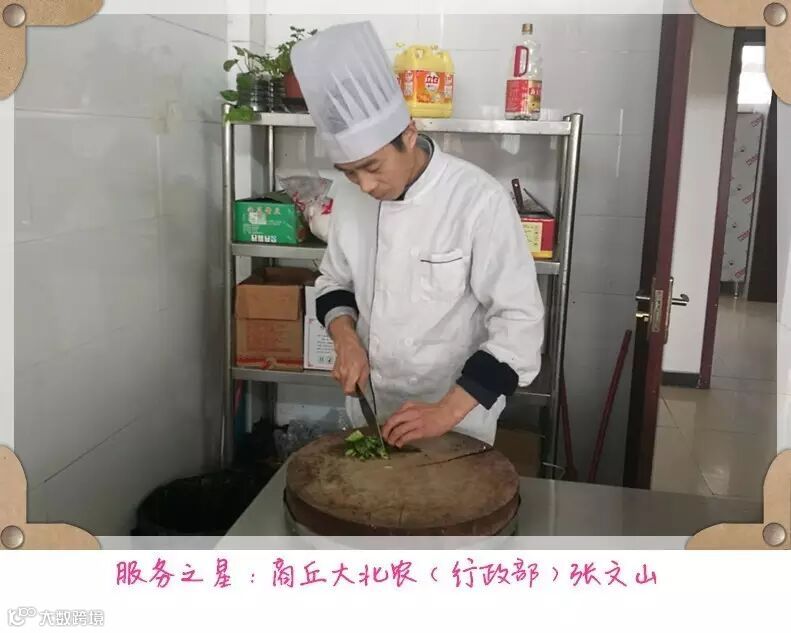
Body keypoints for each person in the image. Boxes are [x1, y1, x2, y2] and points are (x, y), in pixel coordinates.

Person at [292, 21, 544, 448]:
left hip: (456, 416)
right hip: (373, 405)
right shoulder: (351, 197)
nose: (364, 186)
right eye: (349, 173)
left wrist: (446, 411)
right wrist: (346, 338)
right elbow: (334, 282)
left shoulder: (478, 200)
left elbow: (519, 324)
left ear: (408, 134)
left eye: (372, 167)